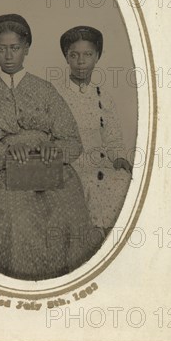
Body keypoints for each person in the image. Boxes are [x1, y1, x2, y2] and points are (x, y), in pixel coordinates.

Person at [0, 14, 96, 280]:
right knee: (15, 221)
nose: (8, 55)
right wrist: (8, 152)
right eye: (1, 49)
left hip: (51, 172)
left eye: (15, 48)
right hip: (3, 176)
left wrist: (52, 150)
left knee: (66, 218)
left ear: (26, 50)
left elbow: (72, 140)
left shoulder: (45, 90)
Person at [54, 26, 132, 240]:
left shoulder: (102, 97)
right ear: (66, 57)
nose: (81, 61)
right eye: (74, 55)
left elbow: (113, 138)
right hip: (67, 163)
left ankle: (108, 243)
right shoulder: (54, 95)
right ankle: (91, 240)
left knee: (122, 181)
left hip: (98, 162)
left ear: (97, 57)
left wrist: (119, 158)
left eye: (88, 55)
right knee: (86, 184)